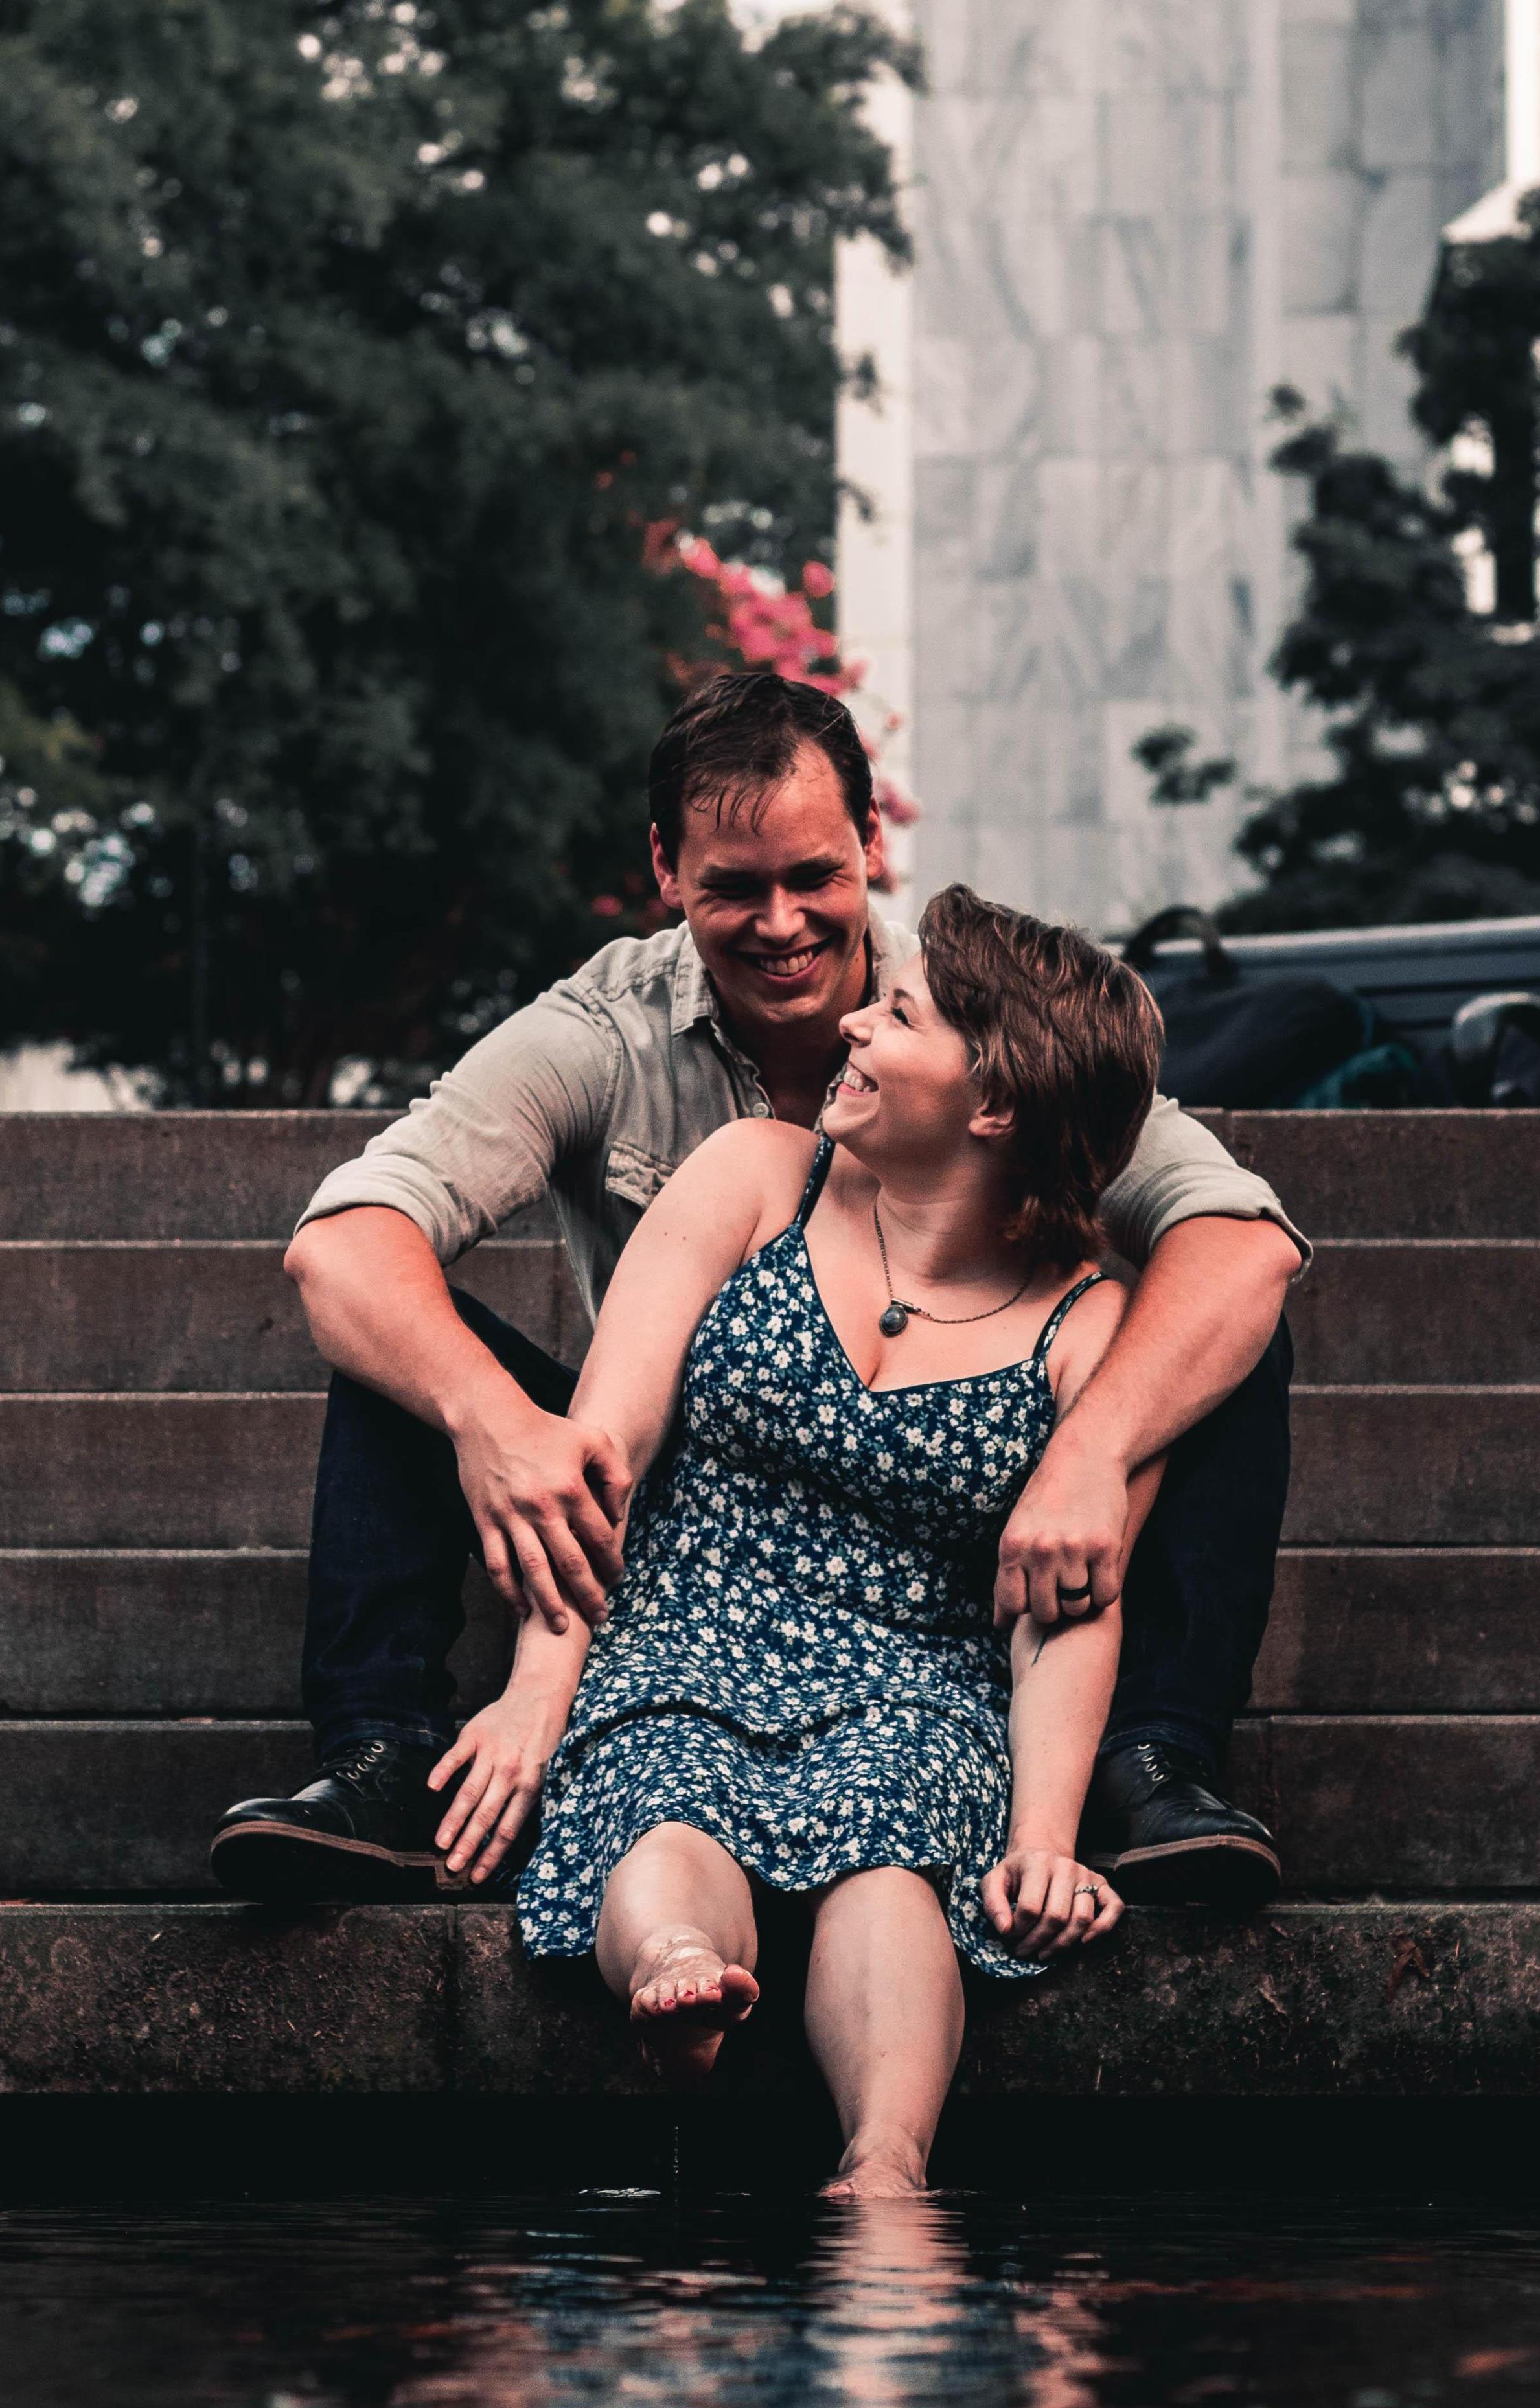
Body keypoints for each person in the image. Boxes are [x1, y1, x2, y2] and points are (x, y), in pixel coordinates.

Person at [213, 671, 1306, 1909]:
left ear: (870, 845)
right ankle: (385, 1755)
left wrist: (1090, 1454)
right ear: (666, 868)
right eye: (733, 885)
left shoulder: (972, 1013)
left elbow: (1241, 1240)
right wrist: (496, 1423)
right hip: (666, 1478)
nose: (781, 922)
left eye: (812, 877)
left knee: (1217, 1340)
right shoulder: (600, 1032)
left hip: (933, 1535)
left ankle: (1147, 1759)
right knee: (410, 1344)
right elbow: (347, 1237)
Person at [425, 888, 1162, 2192]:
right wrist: (540, 1685)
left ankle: (884, 2157)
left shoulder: (1087, 1324)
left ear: (993, 1101)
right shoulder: (756, 1174)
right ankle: (674, 1977)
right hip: (676, 1636)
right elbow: (603, 1450)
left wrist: (1043, 1833)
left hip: (914, 1678)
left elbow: (1068, 1608)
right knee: (662, 1807)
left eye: (901, 1013)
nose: (855, 1028)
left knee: (887, 1861)